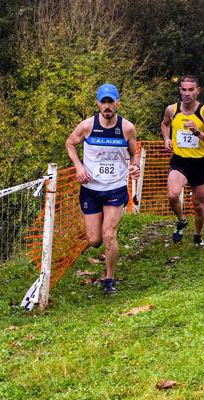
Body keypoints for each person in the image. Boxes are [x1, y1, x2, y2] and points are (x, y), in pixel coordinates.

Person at [65, 83, 140, 294]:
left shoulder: (127, 128)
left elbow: (134, 152)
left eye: (111, 102)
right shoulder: (87, 126)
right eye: (103, 102)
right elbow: (70, 143)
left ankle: (109, 279)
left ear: (118, 103)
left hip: (115, 188)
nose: (107, 106)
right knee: (94, 240)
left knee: (109, 235)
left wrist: (135, 166)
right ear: (98, 104)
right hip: (90, 188)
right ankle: (105, 261)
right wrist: (78, 166)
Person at [160, 75, 204, 247]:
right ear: (180, 90)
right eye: (184, 89)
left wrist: (197, 133)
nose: (187, 93)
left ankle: (197, 235)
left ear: (198, 91)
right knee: (172, 194)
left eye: (191, 90)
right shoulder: (172, 109)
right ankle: (181, 220)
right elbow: (164, 124)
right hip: (179, 161)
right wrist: (166, 139)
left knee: (199, 205)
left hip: (198, 163)